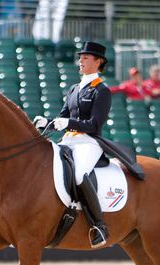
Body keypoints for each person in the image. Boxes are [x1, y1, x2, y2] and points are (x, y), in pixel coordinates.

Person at [33, 41, 111, 248]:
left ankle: (99, 226)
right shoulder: (74, 89)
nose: (81, 61)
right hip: (68, 141)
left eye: (86, 58)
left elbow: (94, 124)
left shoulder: (101, 90)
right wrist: (47, 122)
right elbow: (63, 118)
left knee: (78, 174)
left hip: (89, 142)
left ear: (98, 61)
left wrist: (68, 123)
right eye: (80, 57)